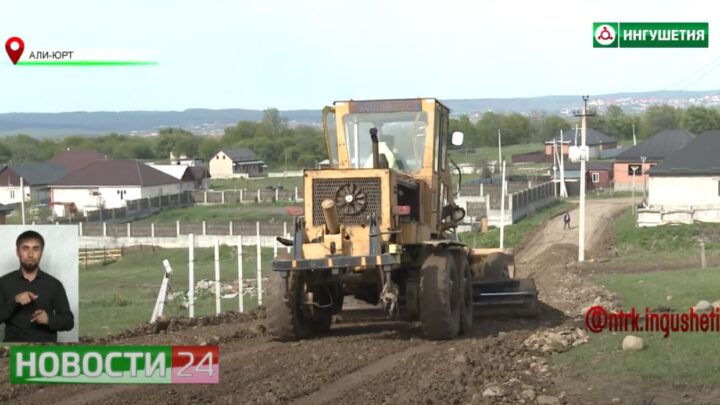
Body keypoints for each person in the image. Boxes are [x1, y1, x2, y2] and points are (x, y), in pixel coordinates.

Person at [0, 230, 74, 342]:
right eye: (25, 248)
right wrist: (14, 301)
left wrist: (50, 319)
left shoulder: (55, 284)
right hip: (14, 349)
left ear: (41, 252)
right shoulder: (3, 282)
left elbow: (69, 322)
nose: (30, 255)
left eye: (35, 249)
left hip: (45, 351)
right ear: (17, 252)